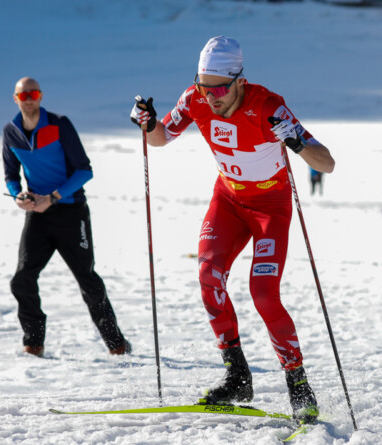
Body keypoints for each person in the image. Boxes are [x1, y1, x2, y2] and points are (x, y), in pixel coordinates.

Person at [130, 36, 335, 422]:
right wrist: (149, 123)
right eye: (205, 88)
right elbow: (158, 140)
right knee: (209, 275)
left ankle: (298, 384)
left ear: (240, 80)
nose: (211, 98)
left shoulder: (268, 105)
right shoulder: (195, 99)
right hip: (227, 201)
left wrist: (294, 140)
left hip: (270, 208)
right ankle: (238, 375)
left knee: (263, 293)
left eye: (220, 89)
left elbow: (327, 163)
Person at [3, 77, 131, 358]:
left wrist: (54, 197)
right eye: (23, 95)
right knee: (22, 279)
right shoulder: (11, 132)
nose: (29, 98)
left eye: (33, 93)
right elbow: (11, 175)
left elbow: (84, 171)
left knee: (87, 280)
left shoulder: (59, 124)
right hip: (38, 215)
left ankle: (117, 345)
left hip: (71, 211)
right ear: (15, 98)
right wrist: (18, 196)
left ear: (41, 96)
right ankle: (33, 344)